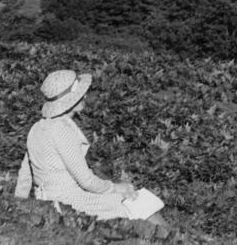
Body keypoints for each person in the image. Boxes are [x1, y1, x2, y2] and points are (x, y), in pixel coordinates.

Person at [14, 69, 167, 226]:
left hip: (46, 200)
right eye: (80, 94)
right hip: (68, 201)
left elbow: (25, 175)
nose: (85, 96)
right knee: (137, 200)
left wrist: (19, 205)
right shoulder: (62, 130)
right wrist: (116, 188)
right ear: (71, 100)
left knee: (131, 199)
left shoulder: (37, 128)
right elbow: (86, 181)